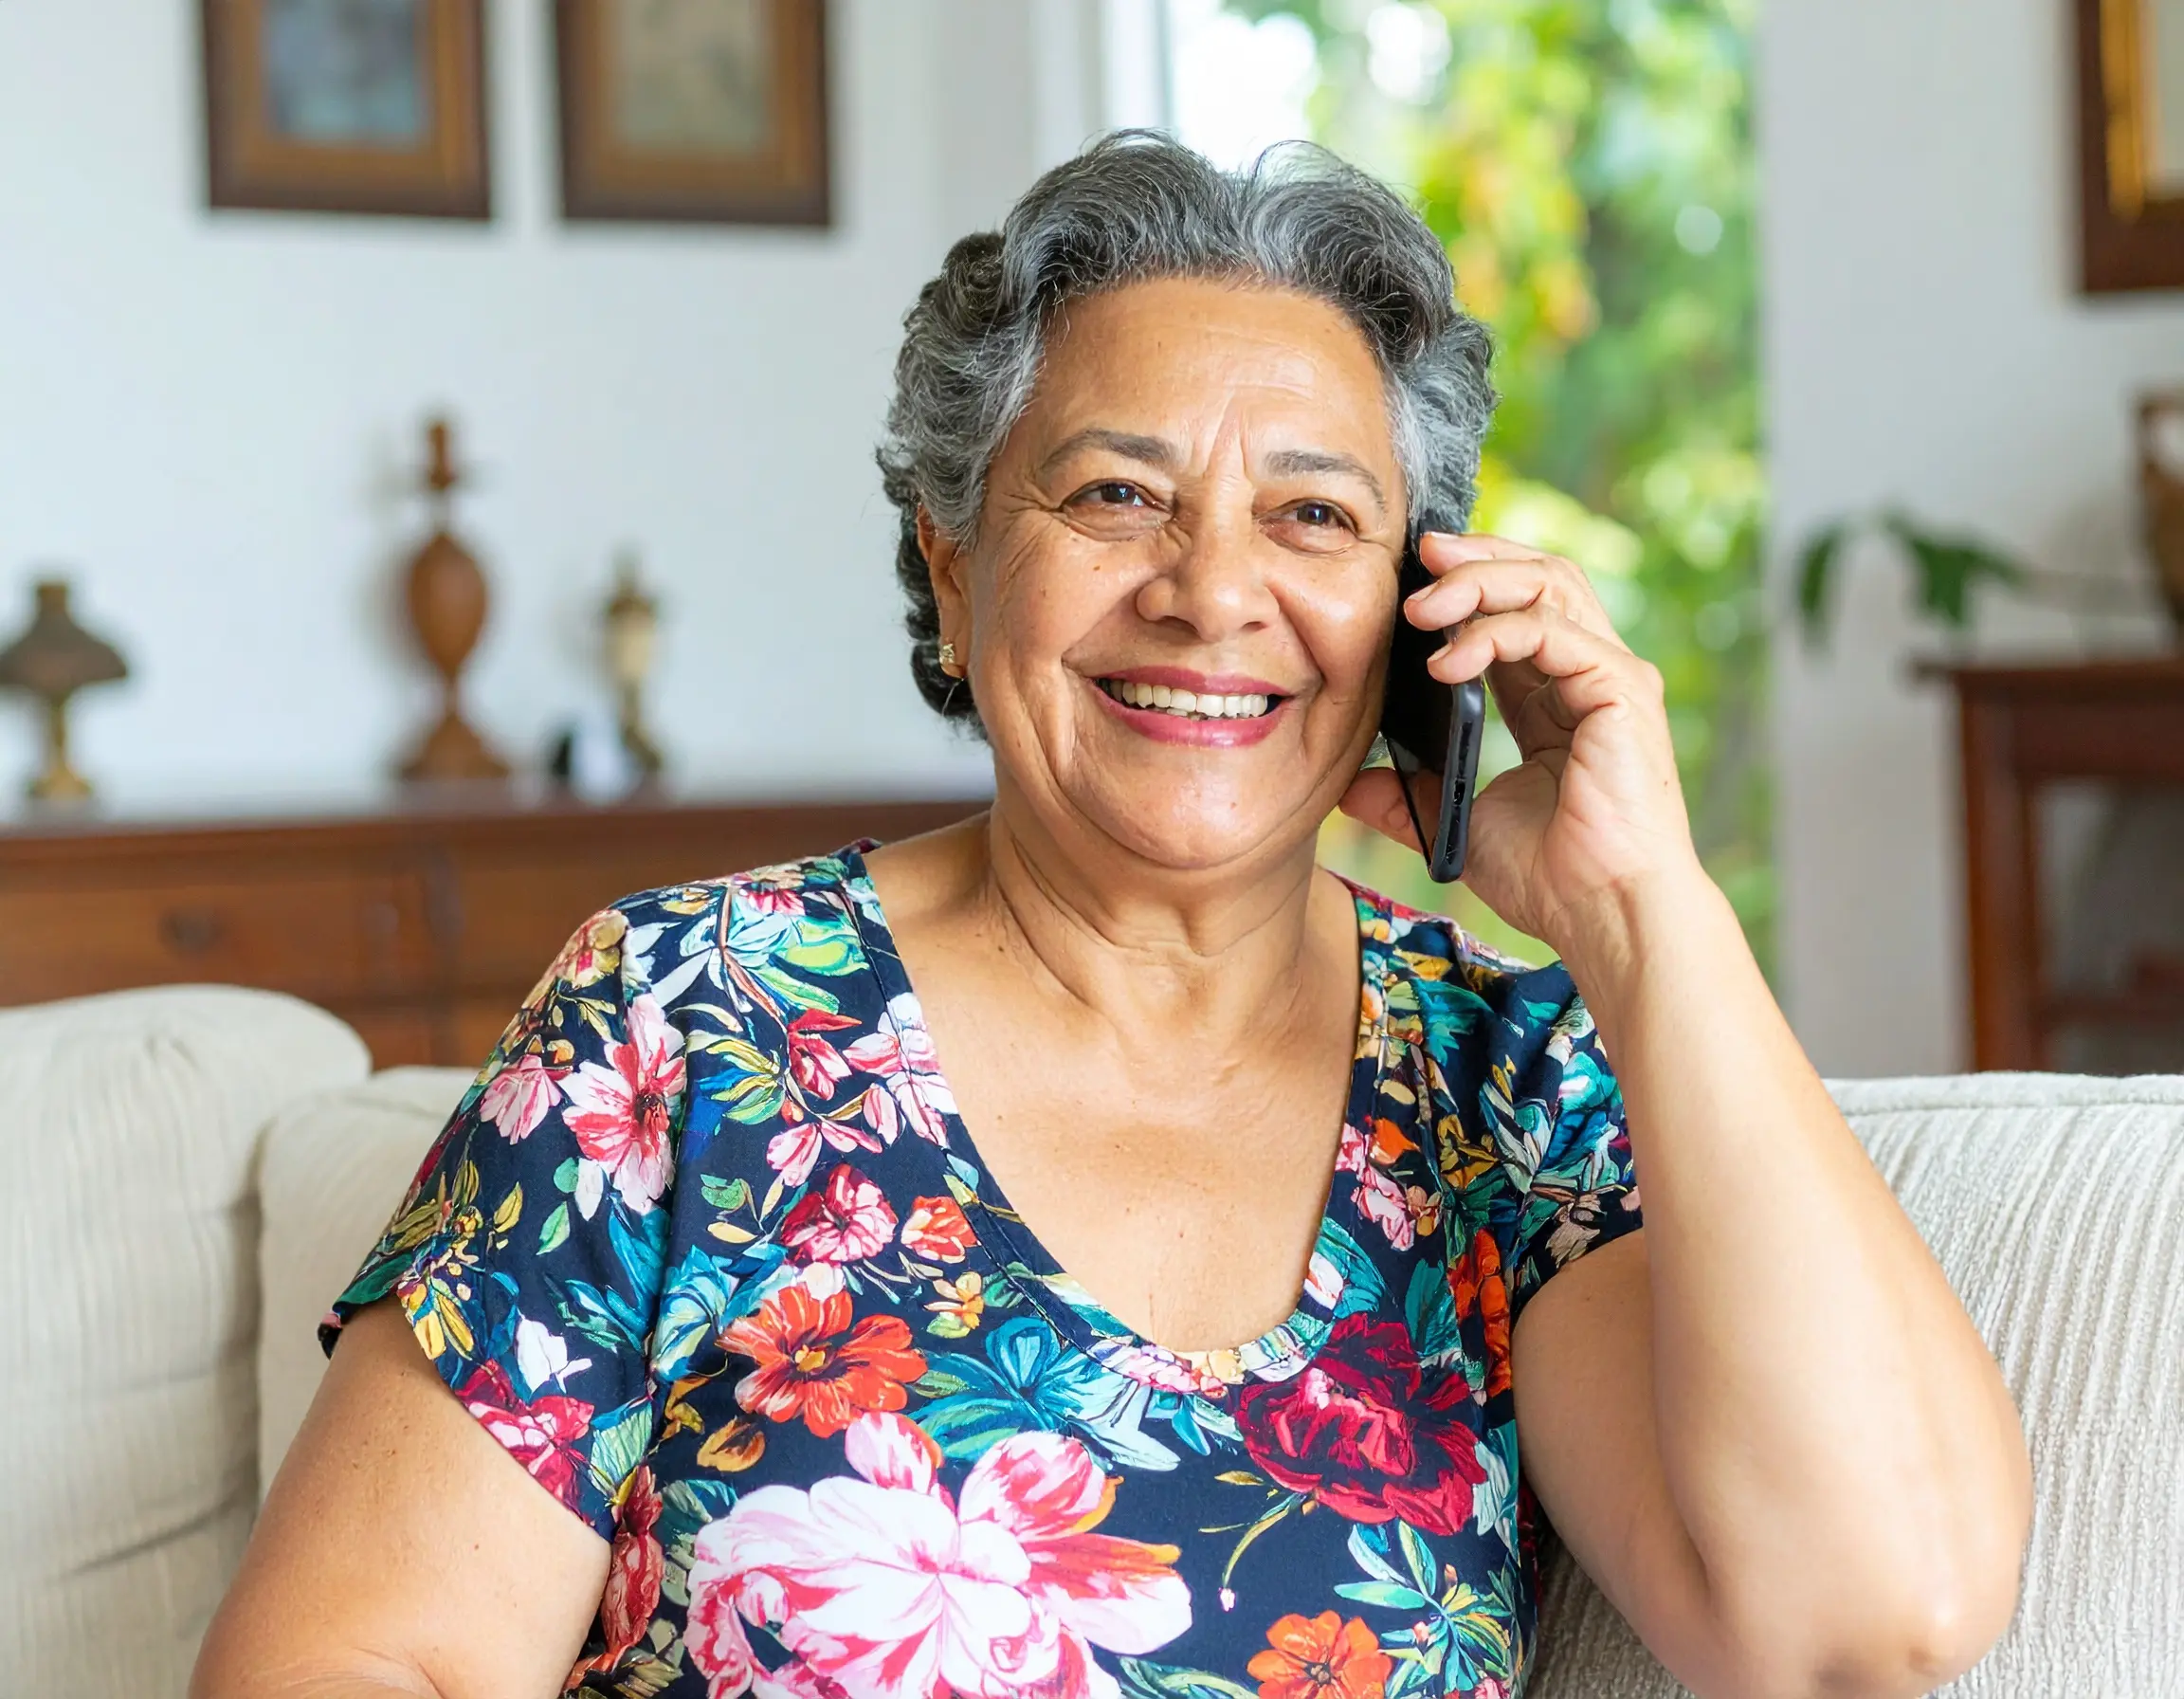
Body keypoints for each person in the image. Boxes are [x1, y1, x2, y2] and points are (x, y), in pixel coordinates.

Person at [193, 133, 2030, 1699]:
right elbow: (362, 1661)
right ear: (952, 550)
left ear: (1419, 603)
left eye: (1313, 515)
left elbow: (1872, 1619)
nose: (1213, 586)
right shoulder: (684, 1013)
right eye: (1114, 492)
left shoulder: (1510, 1080)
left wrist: (1642, 909)